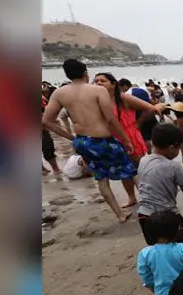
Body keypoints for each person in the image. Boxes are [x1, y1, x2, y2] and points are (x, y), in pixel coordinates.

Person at [42, 59, 138, 223]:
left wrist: (72, 137)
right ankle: (150, 201)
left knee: (101, 179)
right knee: (129, 170)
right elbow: (110, 119)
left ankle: (120, 215)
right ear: (85, 73)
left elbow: (46, 121)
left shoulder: (59, 93)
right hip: (104, 140)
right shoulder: (98, 90)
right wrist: (126, 139)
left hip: (83, 142)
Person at [136, 123, 183, 245]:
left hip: (144, 214)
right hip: (166, 216)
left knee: (155, 246)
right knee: (182, 246)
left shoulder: (143, 160)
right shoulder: (174, 167)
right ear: (172, 148)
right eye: (178, 148)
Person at [93, 73, 161, 178]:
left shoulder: (123, 98)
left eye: (102, 81)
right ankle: (133, 190)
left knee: (142, 169)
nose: (98, 83)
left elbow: (150, 108)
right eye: (96, 81)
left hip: (130, 137)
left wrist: (138, 123)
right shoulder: (99, 100)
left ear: (113, 84)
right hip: (114, 139)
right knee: (124, 173)